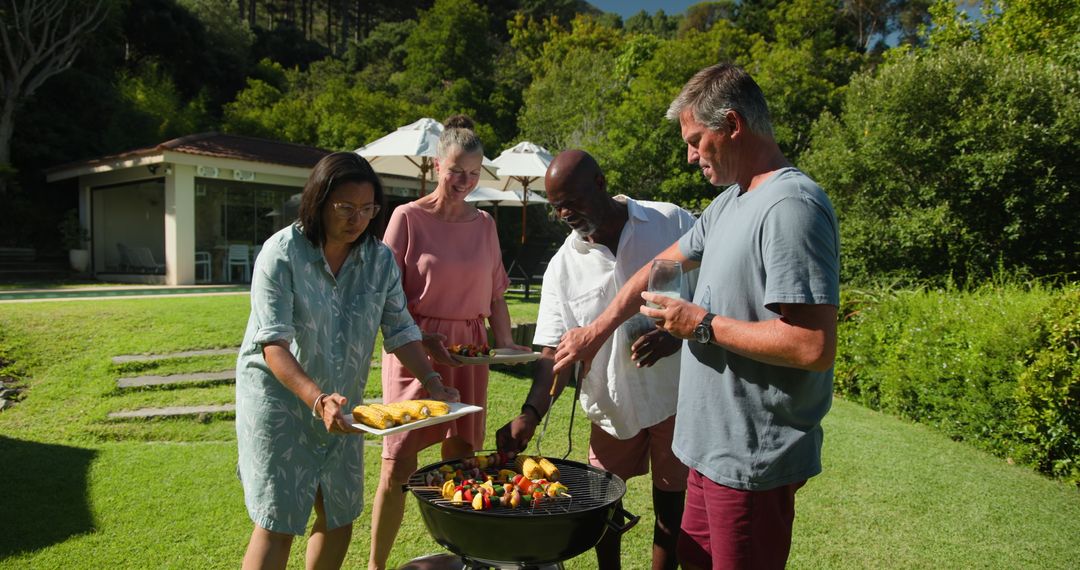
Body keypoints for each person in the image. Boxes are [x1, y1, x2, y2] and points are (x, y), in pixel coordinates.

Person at [553, 63, 841, 569]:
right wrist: (596, 332)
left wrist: (701, 324)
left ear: (731, 125)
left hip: (752, 456)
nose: (689, 157)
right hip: (707, 450)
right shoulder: (730, 203)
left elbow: (811, 346)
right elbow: (656, 267)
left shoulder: (790, 205)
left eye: (694, 140)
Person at [235, 152, 459, 570]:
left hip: (343, 405)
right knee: (278, 521)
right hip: (281, 403)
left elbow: (401, 330)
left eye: (368, 209)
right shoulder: (281, 254)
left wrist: (432, 381)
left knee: (339, 514)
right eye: (346, 208)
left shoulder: (378, 260)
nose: (358, 219)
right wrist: (318, 400)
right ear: (318, 201)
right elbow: (273, 346)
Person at [495, 150, 696, 570]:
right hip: (610, 404)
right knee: (604, 504)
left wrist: (677, 337)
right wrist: (530, 413)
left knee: (672, 505)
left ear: (601, 184)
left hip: (676, 396)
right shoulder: (563, 267)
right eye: (557, 207)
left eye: (572, 200)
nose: (565, 213)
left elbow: (713, 284)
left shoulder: (670, 222)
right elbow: (553, 352)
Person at [369, 115, 529, 570]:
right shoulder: (407, 218)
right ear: (438, 164)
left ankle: (464, 557)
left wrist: (505, 343)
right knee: (397, 462)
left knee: (461, 458)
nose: (465, 181)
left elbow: (496, 293)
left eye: (474, 173)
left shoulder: (484, 225)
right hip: (414, 346)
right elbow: (386, 296)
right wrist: (419, 337)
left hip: (470, 350)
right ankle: (376, 566)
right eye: (457, 171)